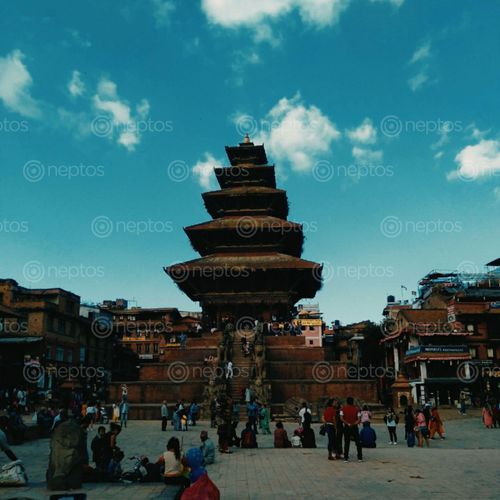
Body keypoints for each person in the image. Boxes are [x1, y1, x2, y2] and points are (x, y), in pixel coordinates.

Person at [340, 396, 363, 462]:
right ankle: (360, 457)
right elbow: (359, 419)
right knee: (358, 442)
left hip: (347, 426)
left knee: (346, 442)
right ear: (352, 402)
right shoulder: (356, 409)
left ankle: (346, 458)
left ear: (347, 402)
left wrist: (347, 423)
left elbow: (341, 418)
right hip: (354, 426)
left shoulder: (343, 409)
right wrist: (353, 423)